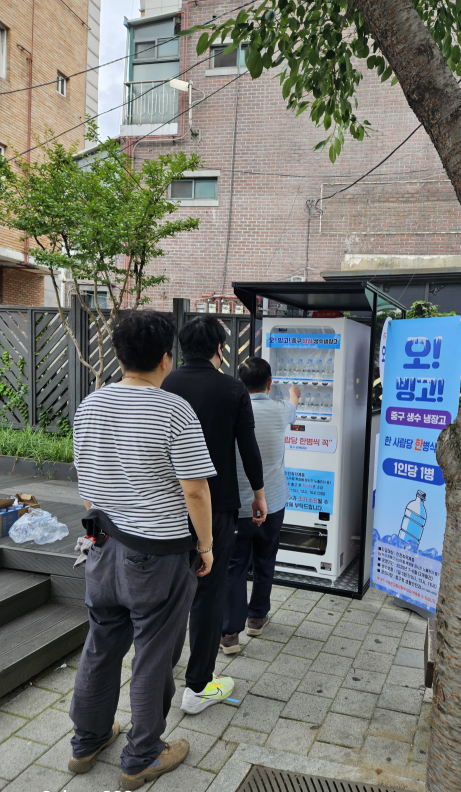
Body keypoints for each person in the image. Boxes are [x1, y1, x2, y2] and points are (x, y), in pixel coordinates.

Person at [69, 311, 215, 791]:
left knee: (101, 644)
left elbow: (86, 482)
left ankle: (87, 741)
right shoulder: (174, 410)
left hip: (101, 545)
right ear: (166, 358)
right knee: (153, 654)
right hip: (158, 555)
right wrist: (206, 545)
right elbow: (195, 490)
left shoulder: (89, 406)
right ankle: (142, 756)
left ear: (118, 355)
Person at [161, 315, 267, 714]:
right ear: (219, 349)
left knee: (170, 590)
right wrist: (259, 494)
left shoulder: (165, 384)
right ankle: (198, 685)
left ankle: (158, 674)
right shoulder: (232, 388)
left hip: (169, 507)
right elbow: (248, 447)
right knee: (208, 593)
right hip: (218, 506)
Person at [220, 357, 299, 653]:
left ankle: (229, 633)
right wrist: (293, 392)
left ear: (240, 383)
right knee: (266, 558)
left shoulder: (231, 409)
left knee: (235, 566)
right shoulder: (280, 409)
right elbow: (293, 403)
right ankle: (256, 617)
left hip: (238, 504)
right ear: (269, 383)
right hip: (273, 501)